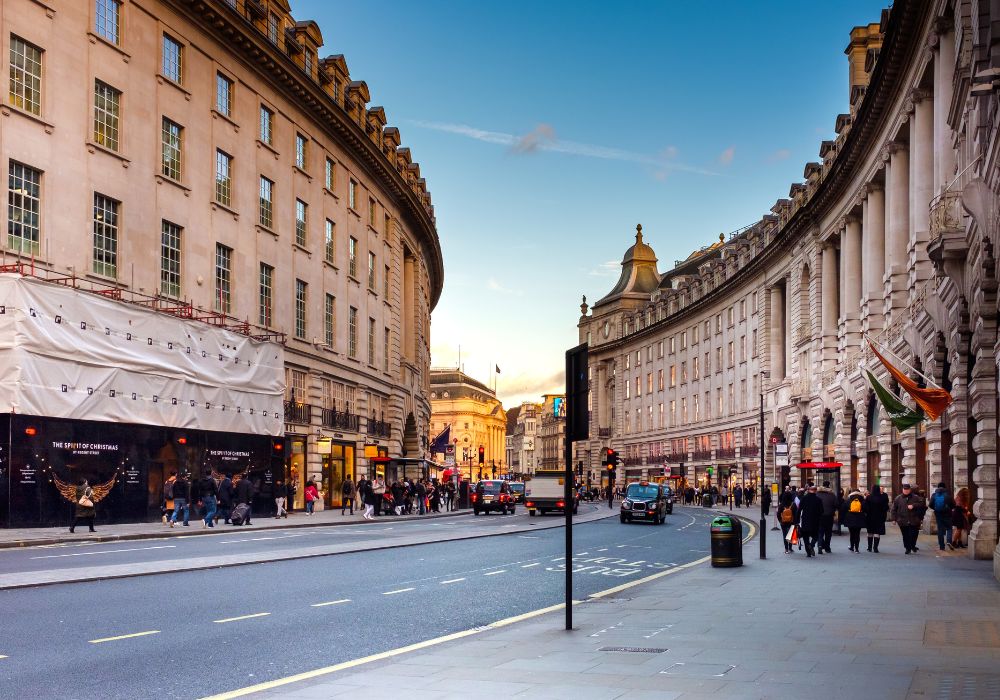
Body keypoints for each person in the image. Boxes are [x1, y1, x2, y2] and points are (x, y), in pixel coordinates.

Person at [890, 483, 926, 554]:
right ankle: (907, 548)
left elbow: (922, 504)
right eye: (904, 489)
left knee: (914, 534)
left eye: (907, 489)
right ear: (902, 489)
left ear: (910, 490)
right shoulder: (898, 498)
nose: (906, 491)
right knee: (905, 535)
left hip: (914, 519)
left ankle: (912, 545)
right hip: (902, 520)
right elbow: (893, 509)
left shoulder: (915, 497)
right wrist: (893, 519)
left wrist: (913, 505)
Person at [797, 485, 823, 557]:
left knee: (805, 537)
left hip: (805, 521)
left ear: (808, 490)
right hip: (815, 521)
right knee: (815, 536)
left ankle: (808, 553)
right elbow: (821, 511)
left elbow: (799, 510)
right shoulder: (818, 499)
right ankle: (811, 545)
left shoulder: (804, 498)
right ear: (815, 491)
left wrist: (797, 520)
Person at [929, 482, 955, 551]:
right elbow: (953, 504)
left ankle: (941, 546)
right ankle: (949, 541)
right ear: (945, 487)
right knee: (949, 528)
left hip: (938, 514)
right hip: (947, 514)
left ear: (938, 487)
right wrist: (949, 508)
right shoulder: (948, 495)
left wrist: (935, 509)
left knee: (940, 530)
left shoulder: (934, 495)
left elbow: (930, 504)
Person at [864, 485, 889, 552]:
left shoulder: (868, 497)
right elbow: (886, 508)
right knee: (877, 533)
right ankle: (875, 548)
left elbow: (865, 508)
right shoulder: (882, 498)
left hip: (870, 517)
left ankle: (869, 548)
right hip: (879, 518)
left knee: (870, 532)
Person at [816, 480, 837, 554]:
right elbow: (836, 505)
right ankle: (827, 548)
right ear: (829, 485)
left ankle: (820, 546)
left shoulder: (817, 494)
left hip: (819, 516)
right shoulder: (832, 495)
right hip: (829, 516)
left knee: (820, 532)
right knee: (828, 533)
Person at [777, 487, 797, 553]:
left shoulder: (781, 505)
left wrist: (780, 521)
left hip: (783, 522)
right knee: (790, 534)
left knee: (784, 535)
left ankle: (786, 549)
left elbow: (778, 513)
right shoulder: (793, 504)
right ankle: (790, 548)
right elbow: (796, 514)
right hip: (791, 522)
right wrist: (795, 521)